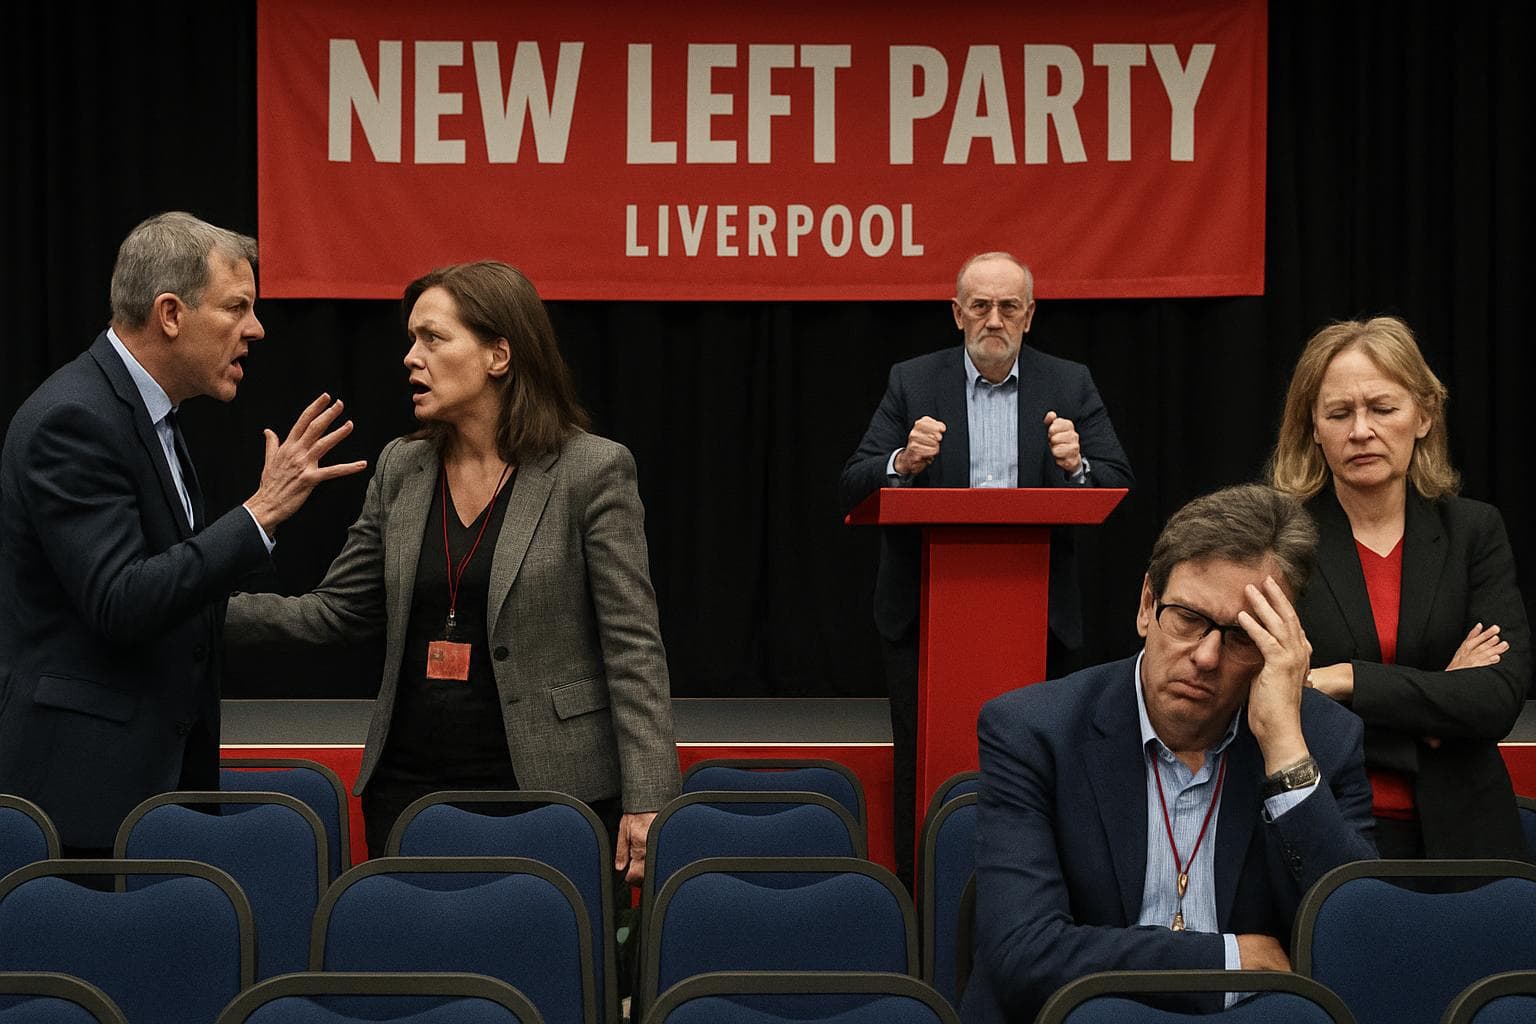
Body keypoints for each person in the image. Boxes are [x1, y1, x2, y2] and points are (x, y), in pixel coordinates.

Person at [225, 260, 679, 879]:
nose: (411, 357)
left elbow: (633, 647)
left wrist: (649, 798)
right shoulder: (402, 467)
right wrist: (192, 606)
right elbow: (337, 611)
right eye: (411, 339)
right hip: (409, 788)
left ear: (498, 355)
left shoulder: (591, 471)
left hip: (552, 790)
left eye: (433, 338)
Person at [0, 211, 366, 853]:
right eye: (236, 307)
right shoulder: (75, 419)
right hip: (83, 799)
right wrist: (261, 513)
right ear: (170, 314)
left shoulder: (152, 415)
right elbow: (122, 602)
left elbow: (179, 591)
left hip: (154, 789)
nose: (256, 328)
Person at [963, 484, 1377, 1024]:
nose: (1205, 656)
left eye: (1241, 636)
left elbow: (1361, 947)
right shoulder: (1034, 732)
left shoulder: (1321, 742)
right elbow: (1024, 954)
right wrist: (1226, 962)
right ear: (1146, 605)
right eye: (1187, 618)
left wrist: (1283, 748)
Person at [838, 251, 1133, 888]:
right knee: (925, 770)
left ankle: (1042, 896)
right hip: (925, 617)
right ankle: (922, 903)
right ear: (957, 313)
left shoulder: (1068, 383)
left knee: (1043, 768)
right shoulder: (913, 382)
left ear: (1030, 315)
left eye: (1008, 307)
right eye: (980, 306)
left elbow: (1116, 482)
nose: (993, 320)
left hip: (1038, 618)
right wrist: (901, 462)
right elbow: (854, 481)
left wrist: (1078, 466)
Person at [1269, 316, 1530, 859]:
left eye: (1382, 408)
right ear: (1314, 427)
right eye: (1339, 413)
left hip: (1468, 835)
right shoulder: (1279, 540)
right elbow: (1275, 701)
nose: (1361, 431)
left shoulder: (1474, 531)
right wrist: (1438, 714)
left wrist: (1343, 679)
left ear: (1424, 415)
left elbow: (1497, 698)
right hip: (1328, 823)